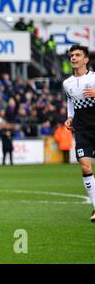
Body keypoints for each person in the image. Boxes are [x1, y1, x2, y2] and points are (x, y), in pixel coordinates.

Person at [63, 44, 95, 221]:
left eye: (77, 55)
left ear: (86, 59)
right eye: (71, 56)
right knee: (85, 166)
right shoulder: (66, 83)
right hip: (81, 129)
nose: (73, 58)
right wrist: (69, 117)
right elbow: (70, 101)